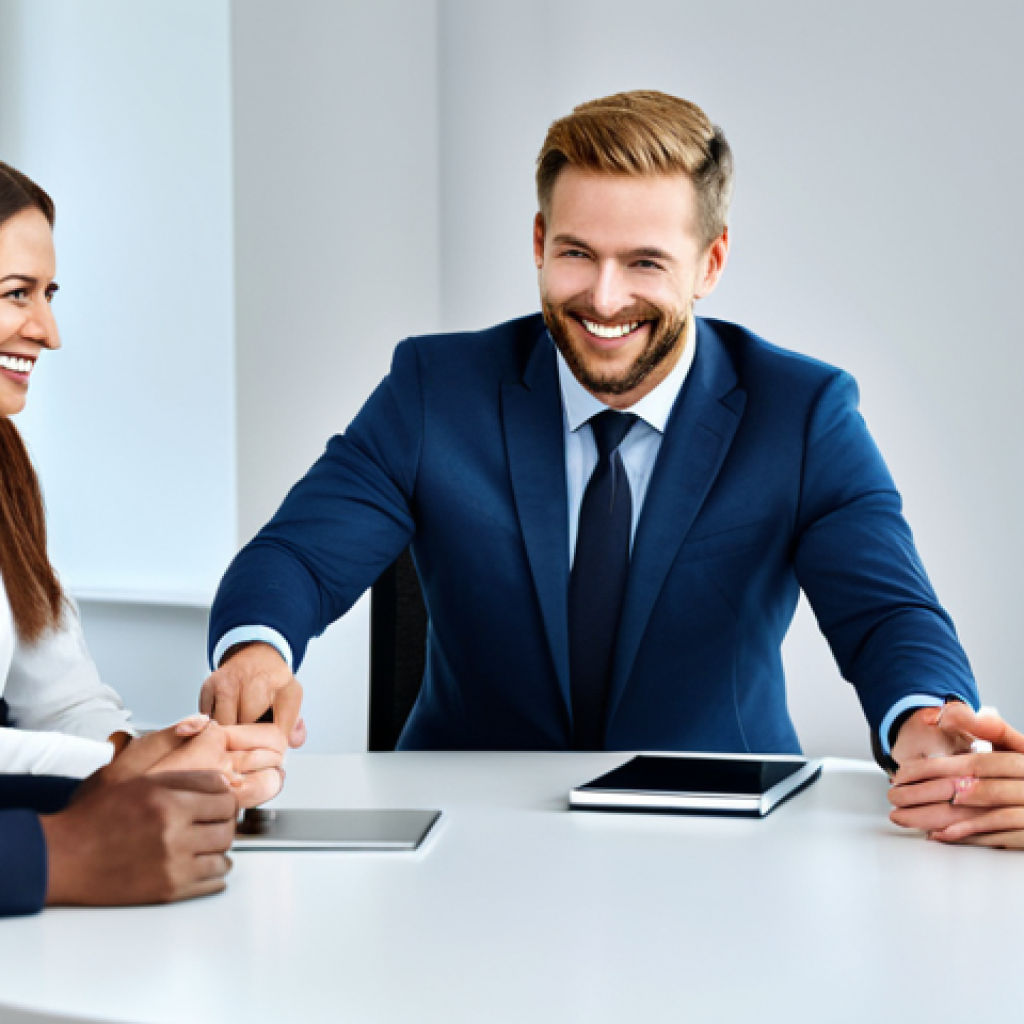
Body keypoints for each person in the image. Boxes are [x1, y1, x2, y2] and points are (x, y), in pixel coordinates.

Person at [202, 90, 1020, 844]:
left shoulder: (802, 414)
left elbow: (888, 615)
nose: (602, 297)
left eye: (645, 263)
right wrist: (256, 654)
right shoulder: (433, 392)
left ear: (710, 263)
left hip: (726, 840)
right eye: (576, 253)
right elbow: (298, 557)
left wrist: (925, 722)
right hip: (471, 834)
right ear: (538, 243)